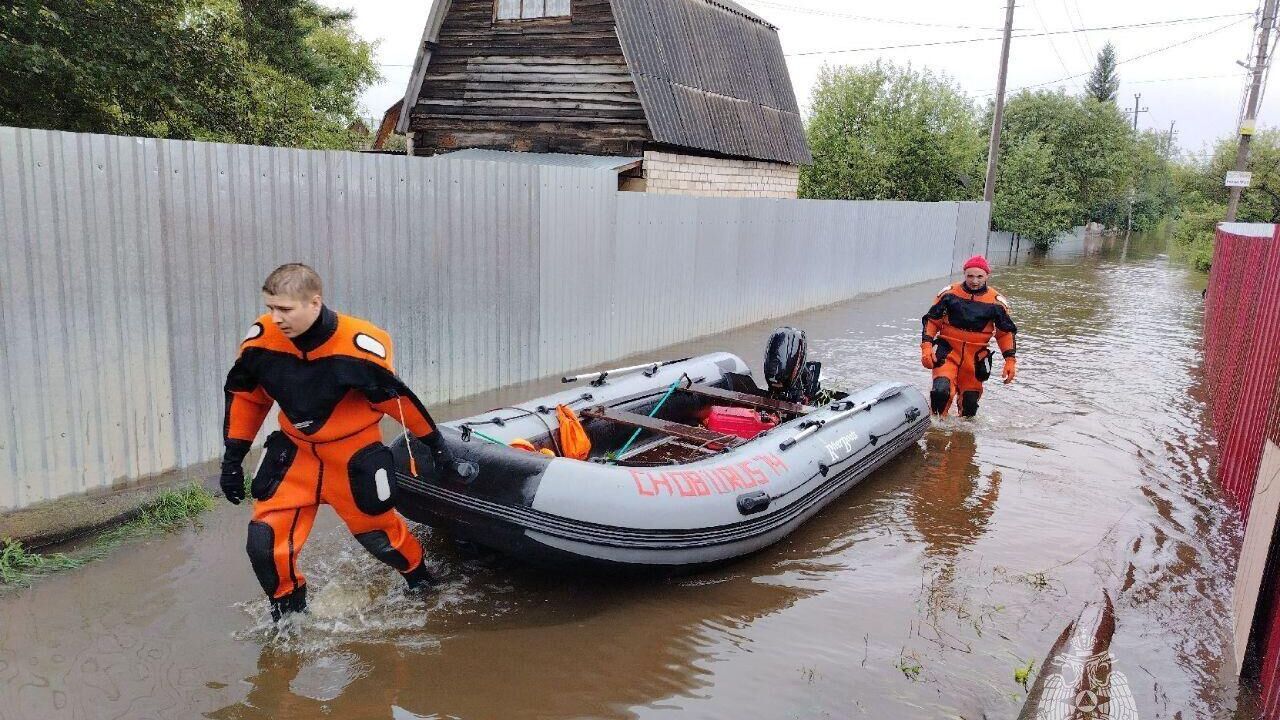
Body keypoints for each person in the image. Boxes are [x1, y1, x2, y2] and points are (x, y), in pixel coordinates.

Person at [220, 263, 475, 621]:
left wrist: (437, 448)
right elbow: (248, 397)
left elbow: (397, 402)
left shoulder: (358, 347)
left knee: (381, 539)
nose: (275, 318)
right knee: (264, 543)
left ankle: (422, 581)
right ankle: (289, 615)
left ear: (314, 302)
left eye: (285, 309)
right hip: (295, 453)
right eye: (270, 308)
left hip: (351, 454)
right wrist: (232, 459)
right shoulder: (262, 343)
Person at [919, 255, 1018, 417]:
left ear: (987, 276)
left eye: (979, 276)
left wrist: (1010, 360)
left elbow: (1004, 333)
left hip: (975, 357)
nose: (975, 281)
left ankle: (963, 439)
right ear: (964, 274)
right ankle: (935, 432)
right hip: (948, 351)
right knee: (940, 392)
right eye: (970, 276)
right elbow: (932, 321)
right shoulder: (949, 294)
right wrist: (927, 346)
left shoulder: (996, 303)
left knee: (970, 405)